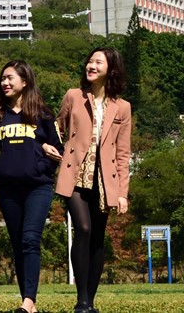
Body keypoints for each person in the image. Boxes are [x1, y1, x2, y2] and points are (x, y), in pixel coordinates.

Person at [48, 47, 131, 313]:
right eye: (90, 61)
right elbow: (55, 126)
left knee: (97, 238)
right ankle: (81, 299)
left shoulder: (123, 107)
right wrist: (51, 148)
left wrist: (122, 193)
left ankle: (90, 301)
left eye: (98, 62)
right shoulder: (73, 96)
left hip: (106, 181)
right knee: (82, 229)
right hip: (74, 175)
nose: (91, 66)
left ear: (111, 69)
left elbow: (123, 153)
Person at [0, 60, 64, 313]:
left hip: (38, 187)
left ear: (24, 81)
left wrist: (44, 164)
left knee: (30, 239)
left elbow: (59, 149)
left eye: (10, 78)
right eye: (2, 78)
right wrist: (0, 172)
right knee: (18, 244)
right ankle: (27, 301)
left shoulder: (44, 114)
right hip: (8, 191)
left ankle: (29, 302)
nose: (5, 82)